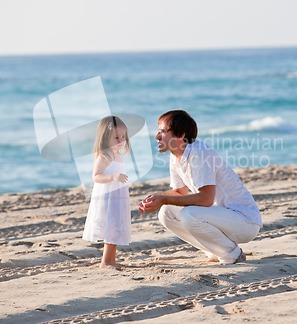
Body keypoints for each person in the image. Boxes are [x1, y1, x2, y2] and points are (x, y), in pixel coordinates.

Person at [139, 110, 262, 265]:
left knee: (190, 214)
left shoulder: (200, 152)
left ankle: (231, 253)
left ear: (181, 135)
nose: (157, 136)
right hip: (220, 218)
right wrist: (156, 198)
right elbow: (179, 192)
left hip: (244, 222)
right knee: (166, 212)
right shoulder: (176, 155)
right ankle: (216, 250)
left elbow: (206, 199)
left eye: (162, 131)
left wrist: (164, 198)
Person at [83, 115, 131, 269]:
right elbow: (96, 176)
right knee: (110, 226)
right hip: (108, 197)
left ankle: (112, 260)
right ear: (105, 139)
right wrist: (113, 177)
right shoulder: (105, 156)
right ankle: (105, 261)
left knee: (116, 226)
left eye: (123, 137)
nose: (121, 141)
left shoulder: (117, 156)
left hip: (118, 197)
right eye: (116, 138)